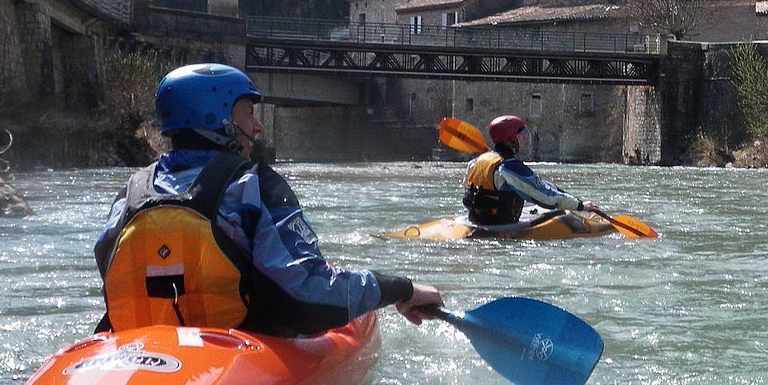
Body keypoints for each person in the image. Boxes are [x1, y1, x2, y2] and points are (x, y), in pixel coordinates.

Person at [95, 62, 441, 335]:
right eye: (248, 113)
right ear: (220, 120)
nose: (258, 128)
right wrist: (401, 289)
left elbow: (111, 272)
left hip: (135, 351)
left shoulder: (131, 193)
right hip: (231, 355)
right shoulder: (253, 185)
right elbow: (306, 293)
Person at [463, 114, 602, 227]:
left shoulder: (476, 162)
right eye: (520, 134)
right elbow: (546, 197)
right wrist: (580, 205)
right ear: (511, 138)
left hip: (475, 220)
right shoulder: (510, 166)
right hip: (501, 224)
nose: (523, 137)